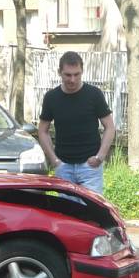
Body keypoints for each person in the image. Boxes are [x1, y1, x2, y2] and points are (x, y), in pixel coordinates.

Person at [37, 51, 116, 194]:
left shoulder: (94, 94)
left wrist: (100, 157)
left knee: (92, 211)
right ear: (59, 72)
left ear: (82, 72)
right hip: (64, 166)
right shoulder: (51, 98)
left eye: (77, 74)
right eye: (68, 75)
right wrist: (54, 160)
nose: (72, 79)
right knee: (68, 213)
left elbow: (110, 127)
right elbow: (42, 130)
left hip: (90, 167)